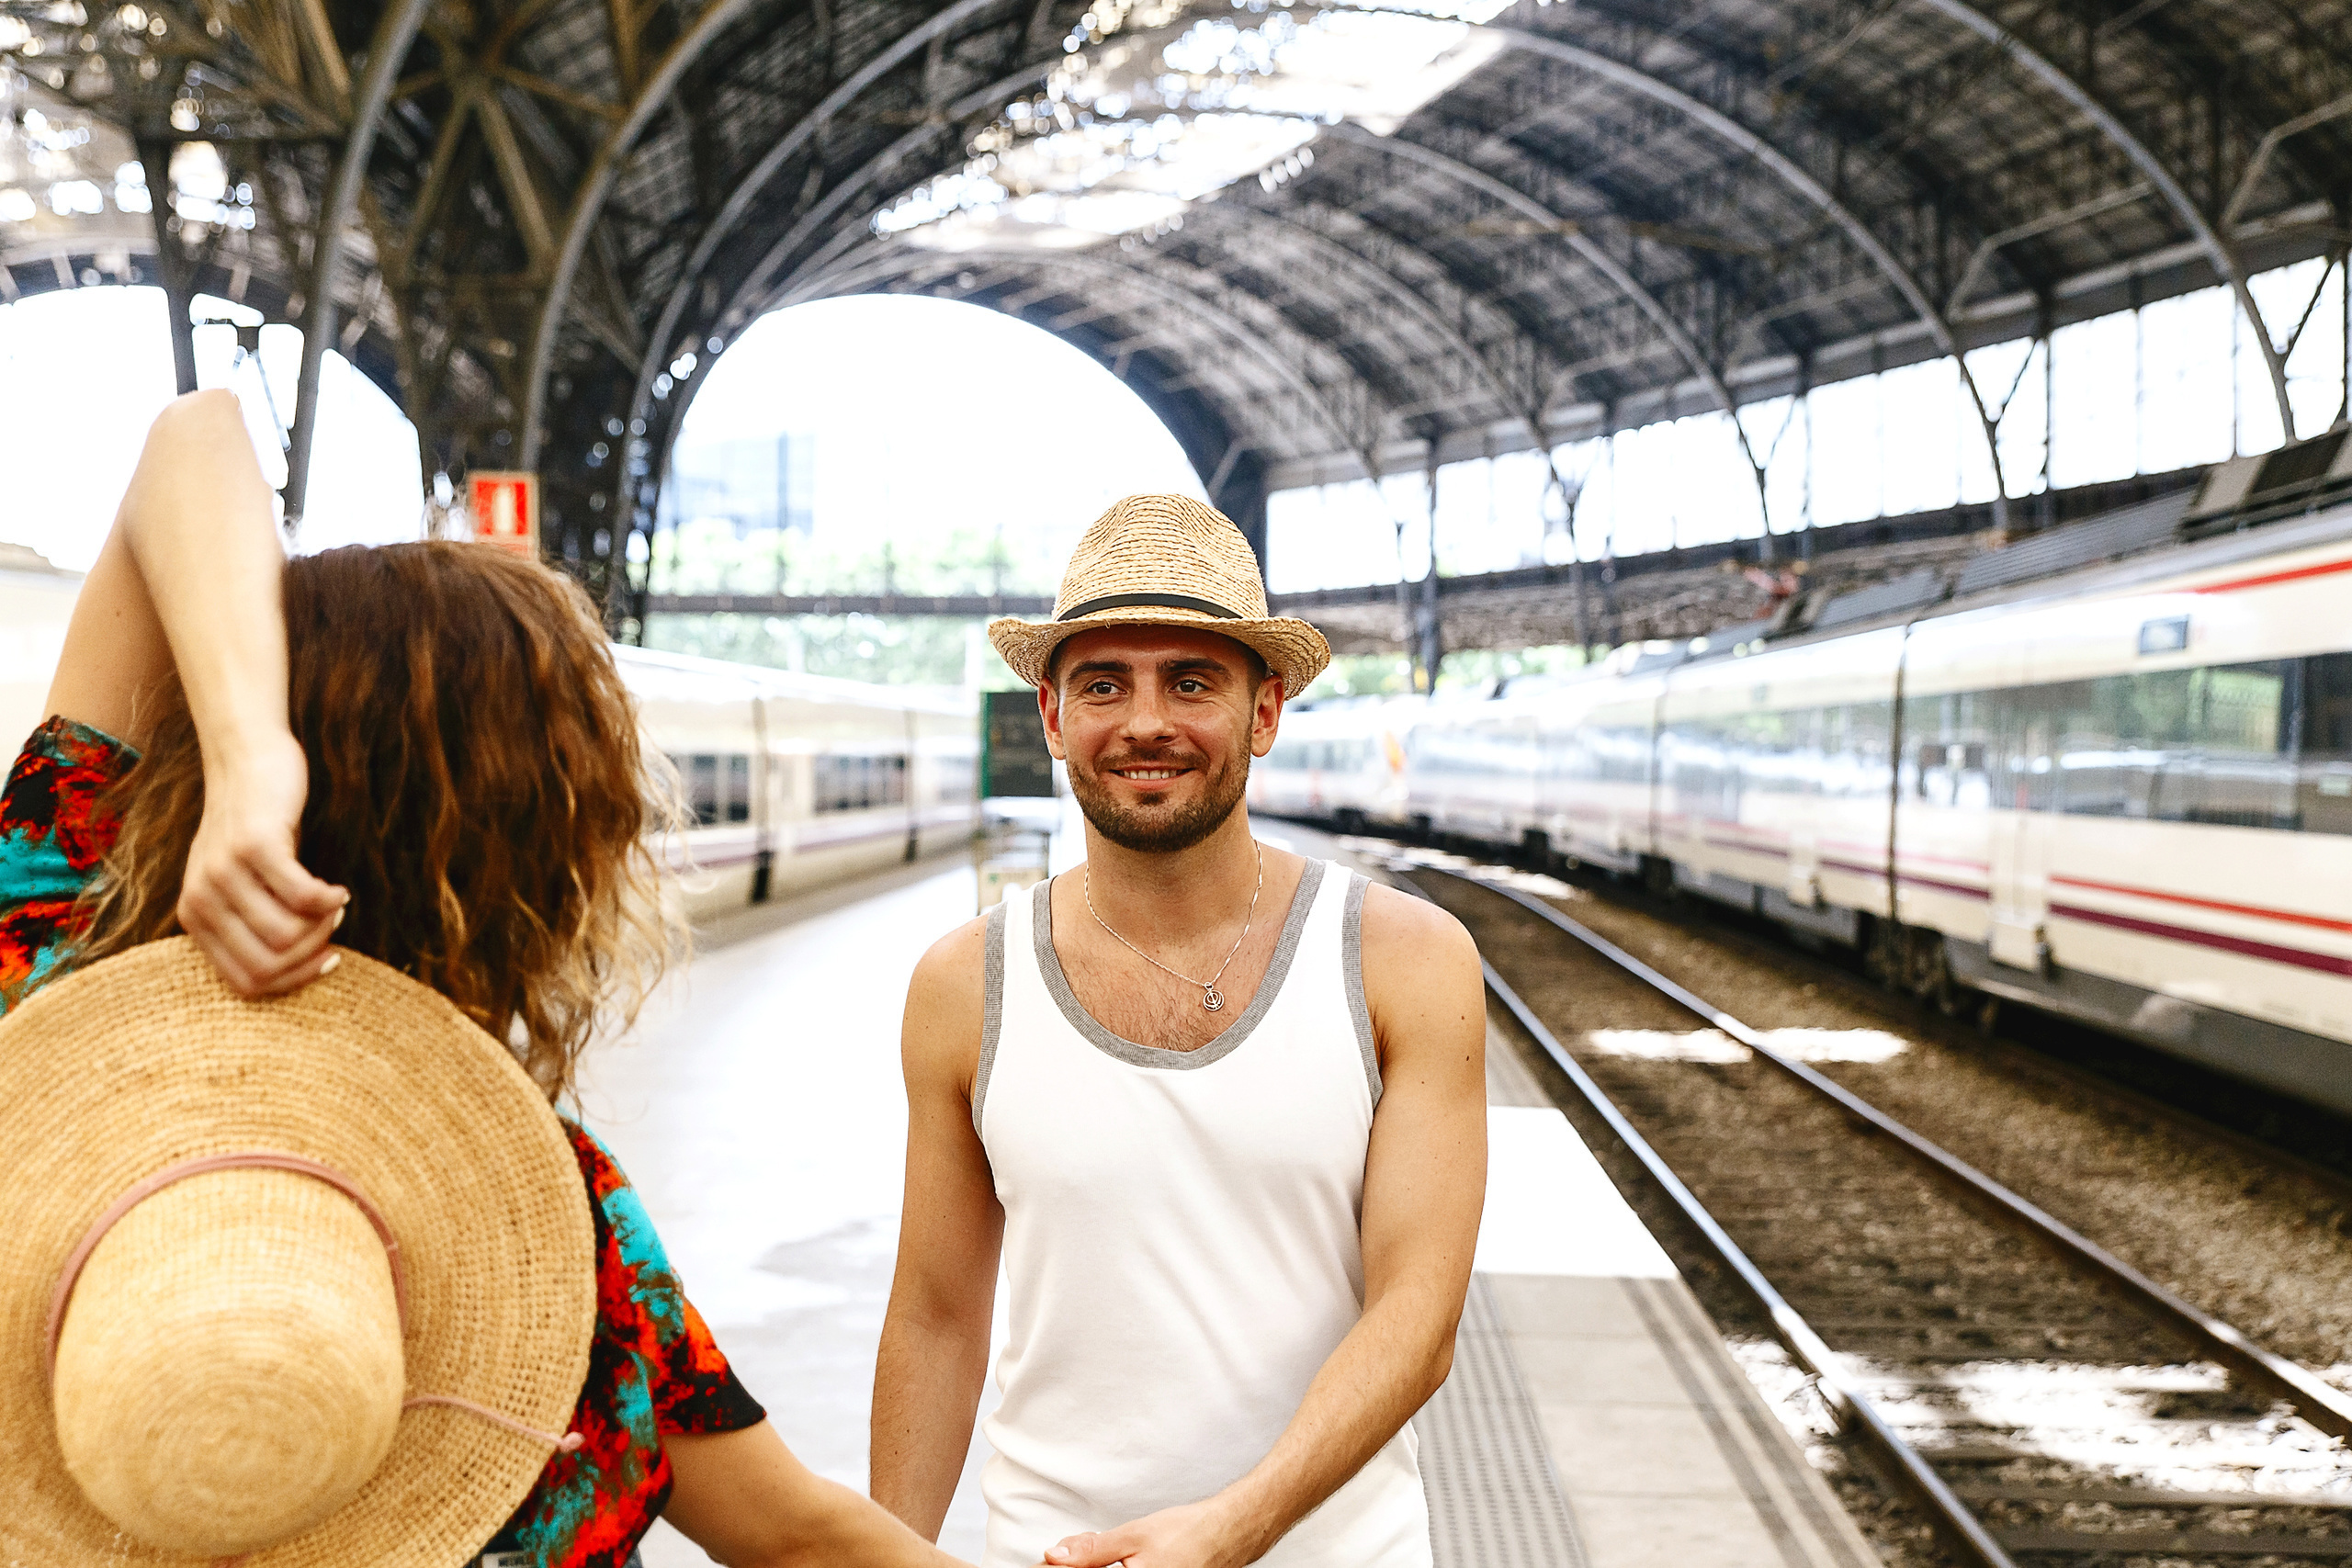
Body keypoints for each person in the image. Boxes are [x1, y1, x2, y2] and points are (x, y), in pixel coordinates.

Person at [0, 389, 972, 1568]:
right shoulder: (553, 1229)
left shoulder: (51, 960)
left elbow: (191, 436)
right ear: (534, 853)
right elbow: (797, 1536)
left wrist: (255, 763)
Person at [871, 494, 1487, 1568]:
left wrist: (1231, 1529)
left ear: (1265, 712)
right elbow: (935, 1315)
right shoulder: (965, 984)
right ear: (1053, 719)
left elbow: (1417, 1315)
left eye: (1191, 681)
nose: (1144, 721)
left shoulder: (1405, 962)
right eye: (1103, 683)